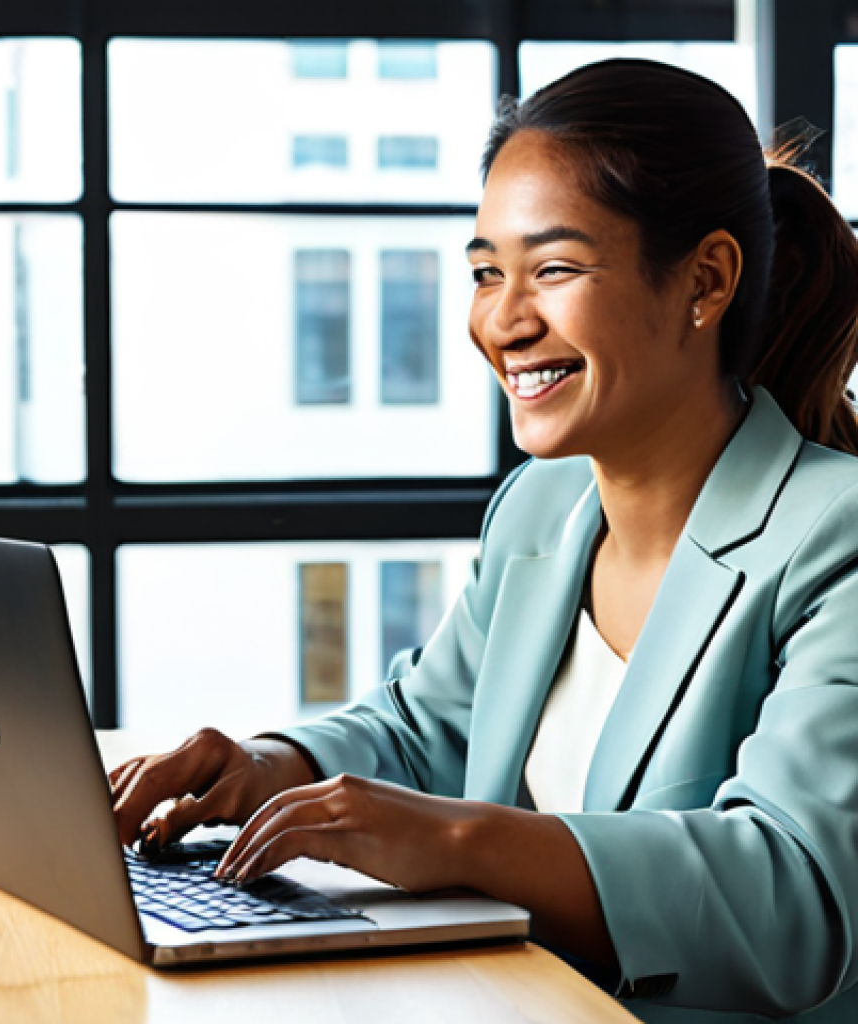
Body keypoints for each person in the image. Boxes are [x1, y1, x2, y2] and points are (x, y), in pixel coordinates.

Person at [109, 59, 858, 1021]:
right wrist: (270, 766)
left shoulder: (832, 536)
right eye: (484, 273)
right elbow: (428, 729)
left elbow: (797, 896)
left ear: (705, 280)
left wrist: (464, 842)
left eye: (553, 269)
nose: (503, 320)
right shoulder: (541, 510)